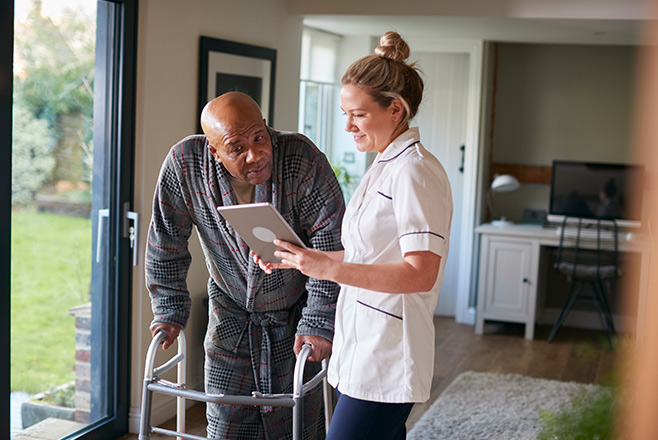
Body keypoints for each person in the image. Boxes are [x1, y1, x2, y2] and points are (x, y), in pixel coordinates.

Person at [256, 32, 453, 440]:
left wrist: (327, 268)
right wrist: (301, 257)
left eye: (358, 115)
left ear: (396, 109)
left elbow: (421, 272)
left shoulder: (414, 171)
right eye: (346, 113)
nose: (347, 125)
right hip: (363, 345)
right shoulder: (383, 166)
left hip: (388, 352)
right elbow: (370, 253)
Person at [145, 92, 345, 439]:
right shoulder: (185, 165)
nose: (255, 154)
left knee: (299, 423)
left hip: (298, 312)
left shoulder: (301, 158)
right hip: (230, 310)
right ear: (214, 151)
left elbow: (331, 244)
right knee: (225, 422)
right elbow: (166, 240)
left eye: (259, 137)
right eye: (237, 148)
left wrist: (319, 320)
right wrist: (169, 309)